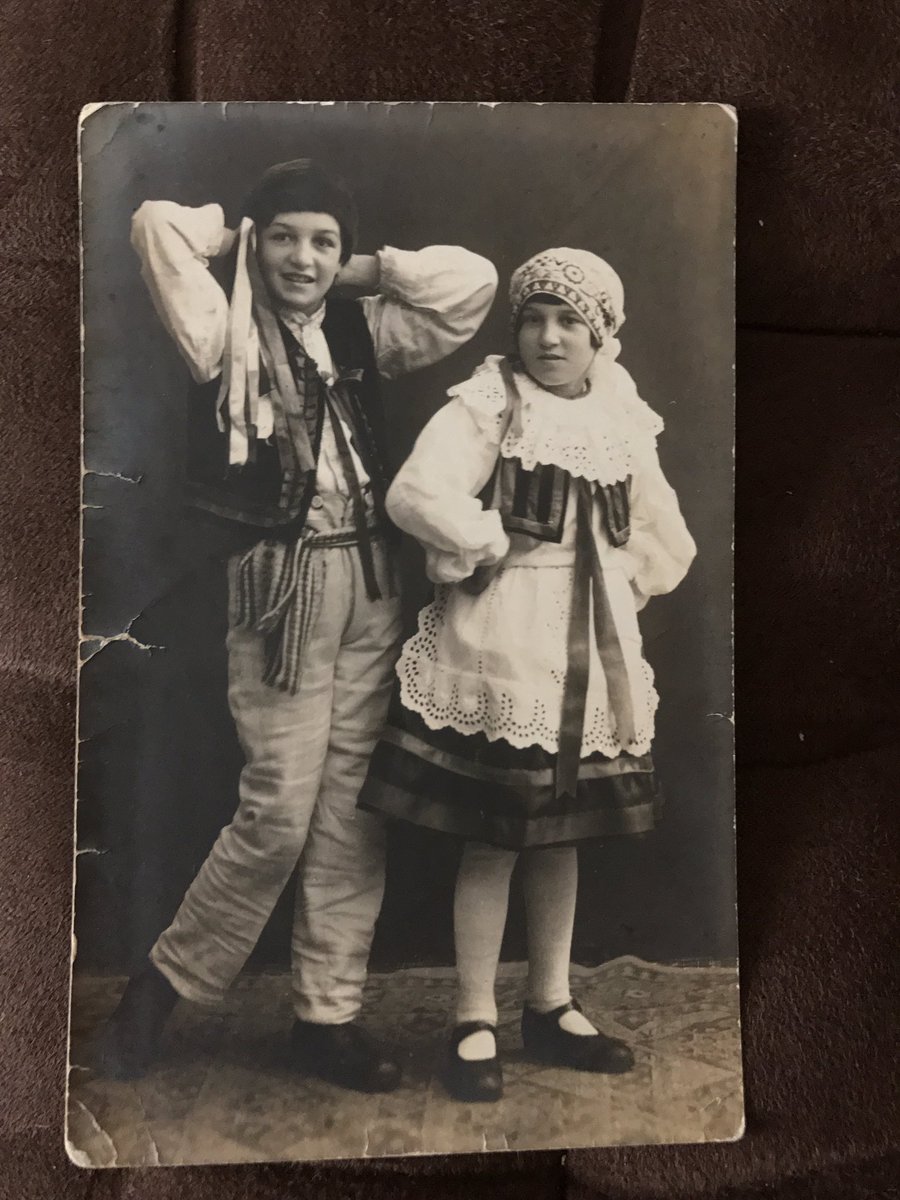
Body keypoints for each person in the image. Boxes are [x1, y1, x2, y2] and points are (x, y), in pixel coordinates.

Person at [97, 158, 498, 1093]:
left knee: (351, 812)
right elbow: (156, 223)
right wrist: (235, 243)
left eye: (322, 239)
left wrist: (361, 268)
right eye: (284, 237)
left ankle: (327, 1018)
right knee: (278, 810)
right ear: (253, 242)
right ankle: (160, 985)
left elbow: (471, 284)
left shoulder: (362, 325)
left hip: (373, 581)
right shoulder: (218, 326)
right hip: (283, 590)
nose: (302, 258)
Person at [358, 248, 697, 1102]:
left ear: (601, 335)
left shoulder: (622, 414)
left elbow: (666, 533)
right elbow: (416, 493)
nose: (550, 337)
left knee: (563, 832)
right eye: (536, 319)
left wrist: (626, 583)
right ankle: (474, 1016)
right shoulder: (491, 402)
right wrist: (479, 544)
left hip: (593, 649)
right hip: (500, 643)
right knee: (493, 835)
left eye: (570, 322)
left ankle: (549, 1001)